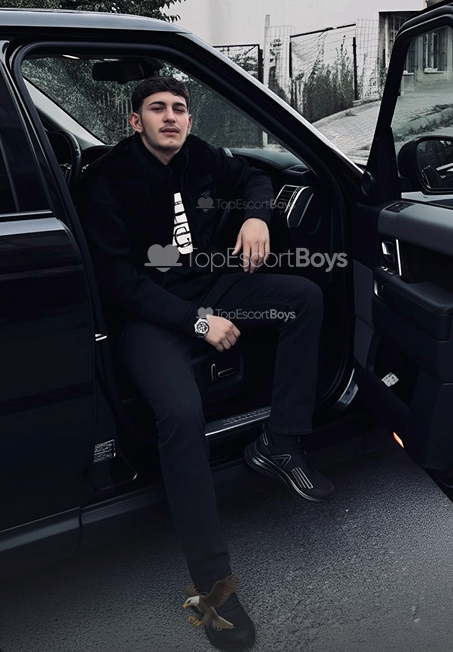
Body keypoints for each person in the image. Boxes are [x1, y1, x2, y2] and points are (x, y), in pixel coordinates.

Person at [78, 75, 334, 650]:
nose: (170, 117)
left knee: (304, 298)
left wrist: (256, 216)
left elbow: (253, 177)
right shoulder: (109, 179)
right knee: (179, 412)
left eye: (179, 108)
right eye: (157, 109)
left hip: (211, 286)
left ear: (189, 119)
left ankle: (281, 442)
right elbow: (119, 281)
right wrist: (198, 323)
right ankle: (214, 587)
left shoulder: (200, 156)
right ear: (134, 121)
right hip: (148, 317)